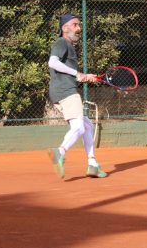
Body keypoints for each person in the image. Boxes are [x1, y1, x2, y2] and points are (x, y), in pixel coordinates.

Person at [47, 13, 107, 179]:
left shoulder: (69, 46)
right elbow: (52, 62)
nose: (79, 28)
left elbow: (67, 72)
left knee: (87, 125)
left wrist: (85, 76)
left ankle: (92, 164)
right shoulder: (61, 42)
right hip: (65, 91)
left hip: (62, 90)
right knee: (79, 127)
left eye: (79, 25)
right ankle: (59, 152)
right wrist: (77, 74)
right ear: (64, 28)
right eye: (75, 25)